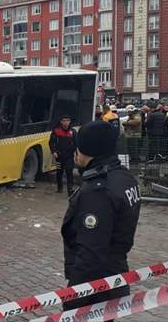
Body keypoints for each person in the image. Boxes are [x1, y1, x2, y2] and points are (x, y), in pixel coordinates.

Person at [62, 121, 141, 317]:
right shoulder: (123, 177)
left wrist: (74, 296)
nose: (75, 152)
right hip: (116, 275)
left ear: (88, 149)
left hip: (96, 287)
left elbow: (92, 252)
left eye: (78, 147)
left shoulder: (98, 191)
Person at [49, 116, 77, 195]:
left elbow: (76, 143)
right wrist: (53, 151)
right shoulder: (56, 131)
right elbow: (51, 142)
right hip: (59, 156)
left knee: (69, 172)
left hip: (69, 156)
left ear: (70, 121)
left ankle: (70, 189)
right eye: (64, 121)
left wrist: (77, 154)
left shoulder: (73, 132)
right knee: (59, 172)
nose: (65, 122)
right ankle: (60, 187)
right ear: (61, 122)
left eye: (67, 121)